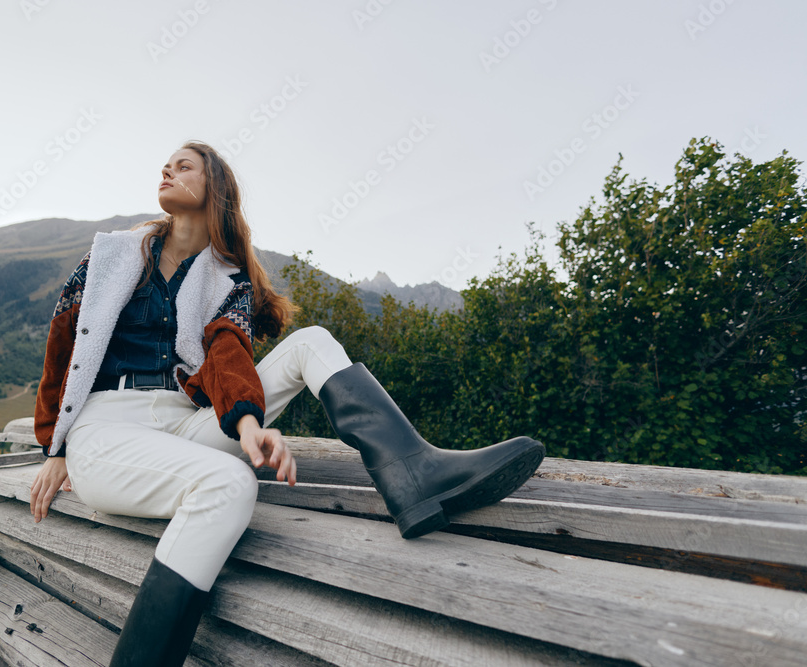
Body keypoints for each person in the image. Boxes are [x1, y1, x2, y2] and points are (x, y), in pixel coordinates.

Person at [29, 140, 545, 667]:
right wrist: (56, 447)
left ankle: (413, 474)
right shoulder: (113, 253)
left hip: (186, 425)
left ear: (215, 188)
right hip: (108, 428)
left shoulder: (225, 280)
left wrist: (247, 426)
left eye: (184, 165)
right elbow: (64, 346)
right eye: (166, 163)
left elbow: (229, 356)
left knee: (311, 342)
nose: (167, 168)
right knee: (229, 483)